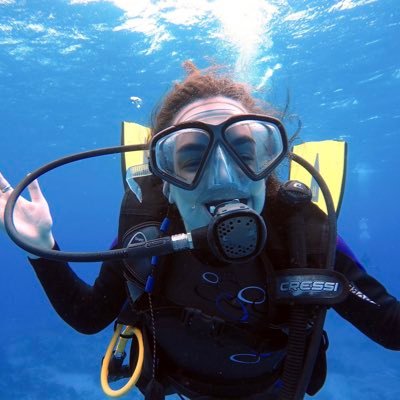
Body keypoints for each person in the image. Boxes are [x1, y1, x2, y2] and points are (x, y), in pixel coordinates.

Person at [0, 61, 399, 400]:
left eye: (243, 152)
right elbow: (88, 316)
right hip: (179, 386)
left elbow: (390, 328)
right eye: (192, 156)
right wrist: (40, 247)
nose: (223, 176)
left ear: (269, 165)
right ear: (167, 181)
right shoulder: (147, 235)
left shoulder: (305, 235)